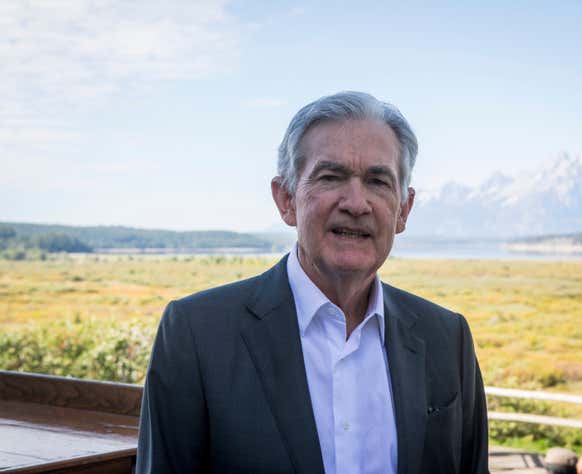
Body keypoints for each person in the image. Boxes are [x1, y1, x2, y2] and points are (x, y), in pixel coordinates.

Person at [136, 91, 489, 473]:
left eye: (378, 181)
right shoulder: (196, 334)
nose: (357, 203)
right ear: (286, 199)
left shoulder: (447, 338)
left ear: (403, 210)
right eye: (331, 176)